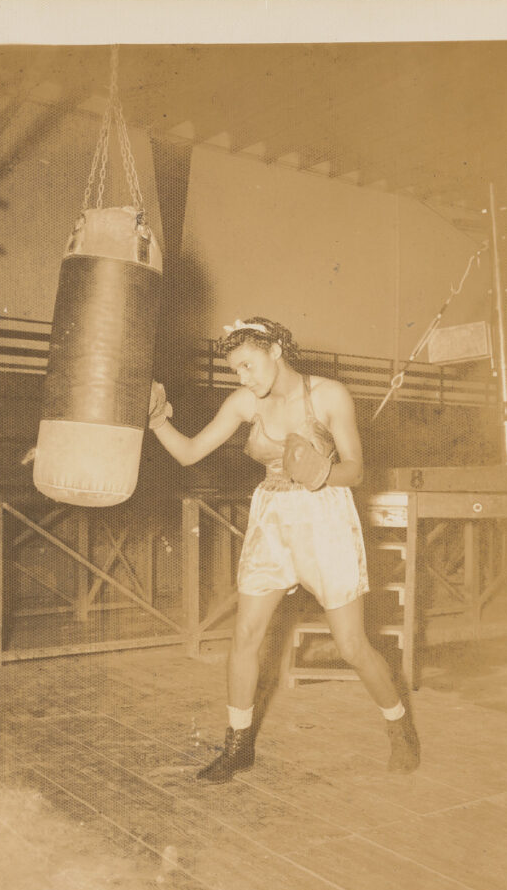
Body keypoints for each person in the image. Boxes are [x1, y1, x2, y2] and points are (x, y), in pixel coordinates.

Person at [148, 316, 420, 783]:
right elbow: (191, 452)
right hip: (271, 518)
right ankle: (237, 745)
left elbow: (356, 470)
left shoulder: (329, 395)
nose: (244, 378)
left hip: (326, 518)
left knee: (352, 645)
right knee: (245, 637)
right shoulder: (243, 403)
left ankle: (400, 728)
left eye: (249, 365)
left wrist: (320, 472)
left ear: (275, 350)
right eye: (236, 371)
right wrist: (154, 421)